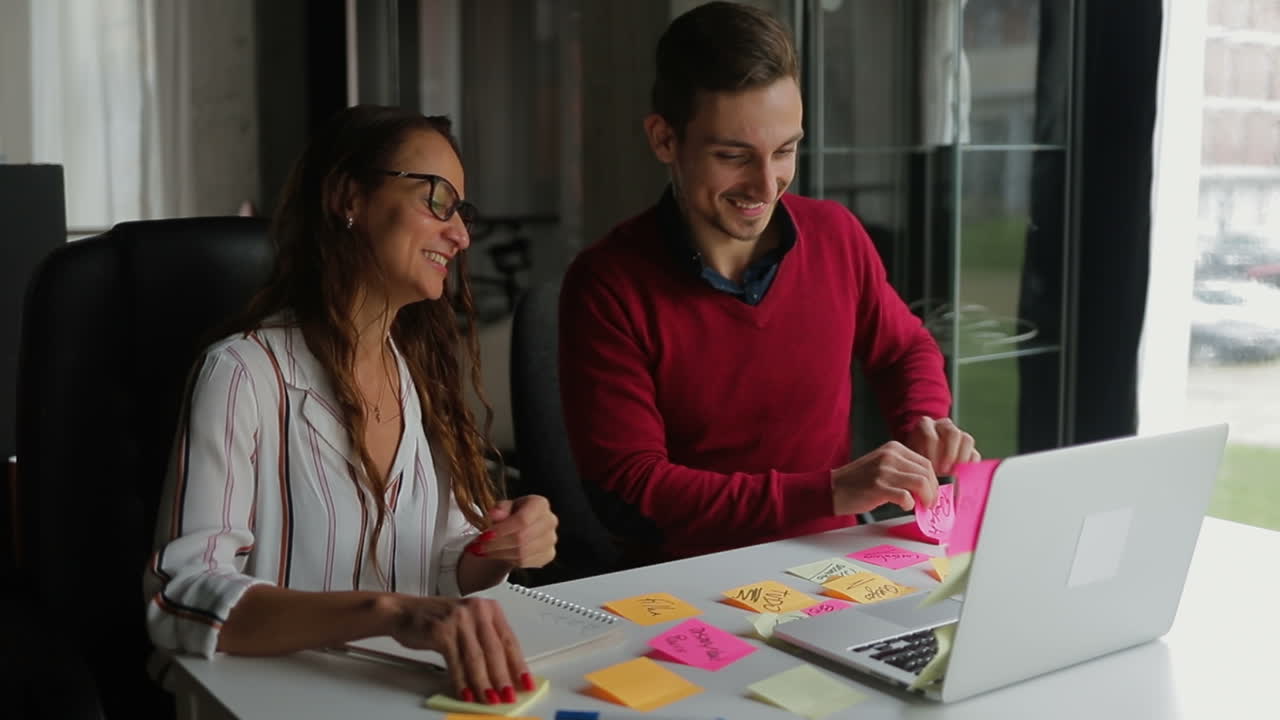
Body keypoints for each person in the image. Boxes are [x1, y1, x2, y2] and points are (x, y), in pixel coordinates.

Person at [144, 105, 557, 707]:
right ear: (349, 197)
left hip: (395, 693)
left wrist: (500, 545)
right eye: (436, 200)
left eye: (461, 212)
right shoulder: (242, 373)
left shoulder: (415, 374)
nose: (461, 235)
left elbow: (440, 567)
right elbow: (179, 594)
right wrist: (386, 612)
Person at [559, 1, 979, 563]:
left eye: (785, 150)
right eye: (734, 156)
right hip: (687, 579)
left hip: (838, 556)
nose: (766, 183)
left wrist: (925, 421)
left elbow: (904, 347)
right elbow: (634, 487)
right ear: (663, 140)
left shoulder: (836, 235)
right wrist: (828, 491)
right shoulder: (606, 286)